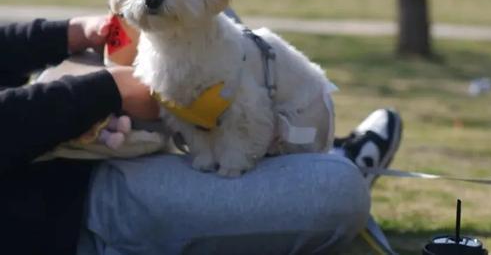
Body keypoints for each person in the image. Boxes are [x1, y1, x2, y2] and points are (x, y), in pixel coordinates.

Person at [0, 16, 402, 255]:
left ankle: (294, 151)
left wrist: (70, 32)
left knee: (208, 21)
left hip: (57, 126)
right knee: (338, 189)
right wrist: (110, 91)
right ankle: (324, 164)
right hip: (65, 206)